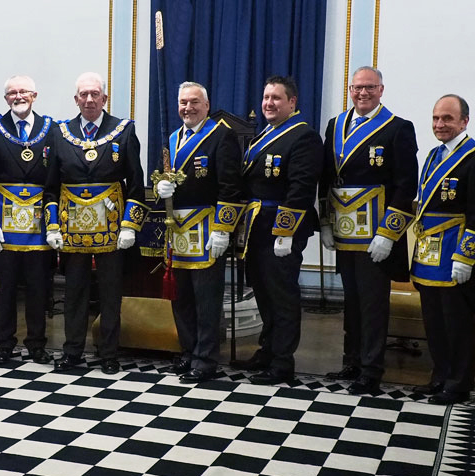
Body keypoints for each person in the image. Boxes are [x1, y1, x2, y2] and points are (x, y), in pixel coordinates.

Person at [319, 66, 418, 394]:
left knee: (374, 303)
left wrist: (389, 234)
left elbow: (406, 187)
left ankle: (372, 368)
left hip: (376, 236)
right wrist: (325, 223)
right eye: (357, 87)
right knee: (352, 300)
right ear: (350, 89)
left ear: (381, 90)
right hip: (345, 231)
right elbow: (326, 178)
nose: (362, 93)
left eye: (369, 88)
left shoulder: (398, 128)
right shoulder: (335, 126)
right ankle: (352, 360)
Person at [44, 72, 146, 375]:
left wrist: (130, 225)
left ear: (104, 98)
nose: (89, 100)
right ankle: (72, 351)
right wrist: (52, 226)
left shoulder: (124, 131)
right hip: (72, 229)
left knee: (110, 292)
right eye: (83, 95)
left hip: (113, 229)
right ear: (76, 99)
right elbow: (51, 187)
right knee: (74, 292)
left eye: (95, 94)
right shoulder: (59, 132)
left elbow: (137, 184)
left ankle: (108, 352)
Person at [232, 76, 323, 385]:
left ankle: (283, 361)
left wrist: (285, 232)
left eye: (276, 98)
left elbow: (301, 189)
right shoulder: (265, 135)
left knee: (282, 296)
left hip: (280, 230)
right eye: (266, 97)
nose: (269, 103)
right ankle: (268, 350)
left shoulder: (303, 136)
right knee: (264, 295)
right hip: (256, 229)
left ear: (292, 102)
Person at [409, 94, 475, 404]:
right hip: (429, 252)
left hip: (456, 253)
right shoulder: (433, 155)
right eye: (435, 118)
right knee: (434, 320)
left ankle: (459, 382)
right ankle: (440, 375)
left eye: (447, 118)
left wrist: (466, 257)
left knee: (456, 321)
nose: (440, 124)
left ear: (464, 121)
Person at [154, 81, 241, 383]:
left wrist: (223, 229)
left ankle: (206, 360)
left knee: (207, 300)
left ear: (206, 105)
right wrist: (159, 188)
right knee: (183, 298)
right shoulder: (173, 137)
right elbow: (162, 177)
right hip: (178, 231)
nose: (187, 108)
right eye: (182, 102)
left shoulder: (222, 136)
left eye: (194, 102)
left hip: (207, 229)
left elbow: (231, 186)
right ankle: (189, 351)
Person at [0, 75, 55, 365]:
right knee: (6, 287)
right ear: (6, 99)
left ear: (34, 95)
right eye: (12, 93)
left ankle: (36, 343)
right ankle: (4, 343)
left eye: (23, 91)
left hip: (39, 227)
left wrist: (54, 225)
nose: (18, 96)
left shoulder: (53, 129)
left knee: (39, 288)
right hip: (3, 225)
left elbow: (55, 179)